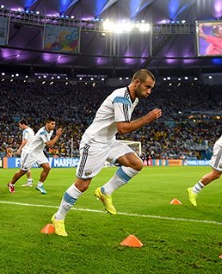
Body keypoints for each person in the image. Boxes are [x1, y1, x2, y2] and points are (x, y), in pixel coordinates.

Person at [50, 69, 162, 237]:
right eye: (147, 87)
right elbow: (123, 128)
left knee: (136, 164)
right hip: (94, 142)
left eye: (151, 88)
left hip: (109, 140)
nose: (149, 91)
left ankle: (105, 191)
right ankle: (58, 218)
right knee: (82, 184)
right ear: (136, 83)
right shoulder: (121, 97)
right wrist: (148, 118)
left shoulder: (134, 99)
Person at [8, 117, 62, 195]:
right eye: (52, 124)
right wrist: (57, 136)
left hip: (39, 152)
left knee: (47, 167)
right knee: (23, 171)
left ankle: (40, 185)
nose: (54, 126)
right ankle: (11, 184)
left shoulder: (50, 131)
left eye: (54, 124)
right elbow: (49, 145)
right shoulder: (42, 132)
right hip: (31, 153)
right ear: (47, 123)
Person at [16, 119, 35, 187]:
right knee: (26, 167)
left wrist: (19, 149)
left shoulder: (26, 131)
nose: (20, 127)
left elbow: (25, 140)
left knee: (23, 167)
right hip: (30, 150)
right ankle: (29, 181)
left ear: (23, 124)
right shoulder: (31, 130)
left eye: (20, 125)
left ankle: (13, 182)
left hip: (26, 150)